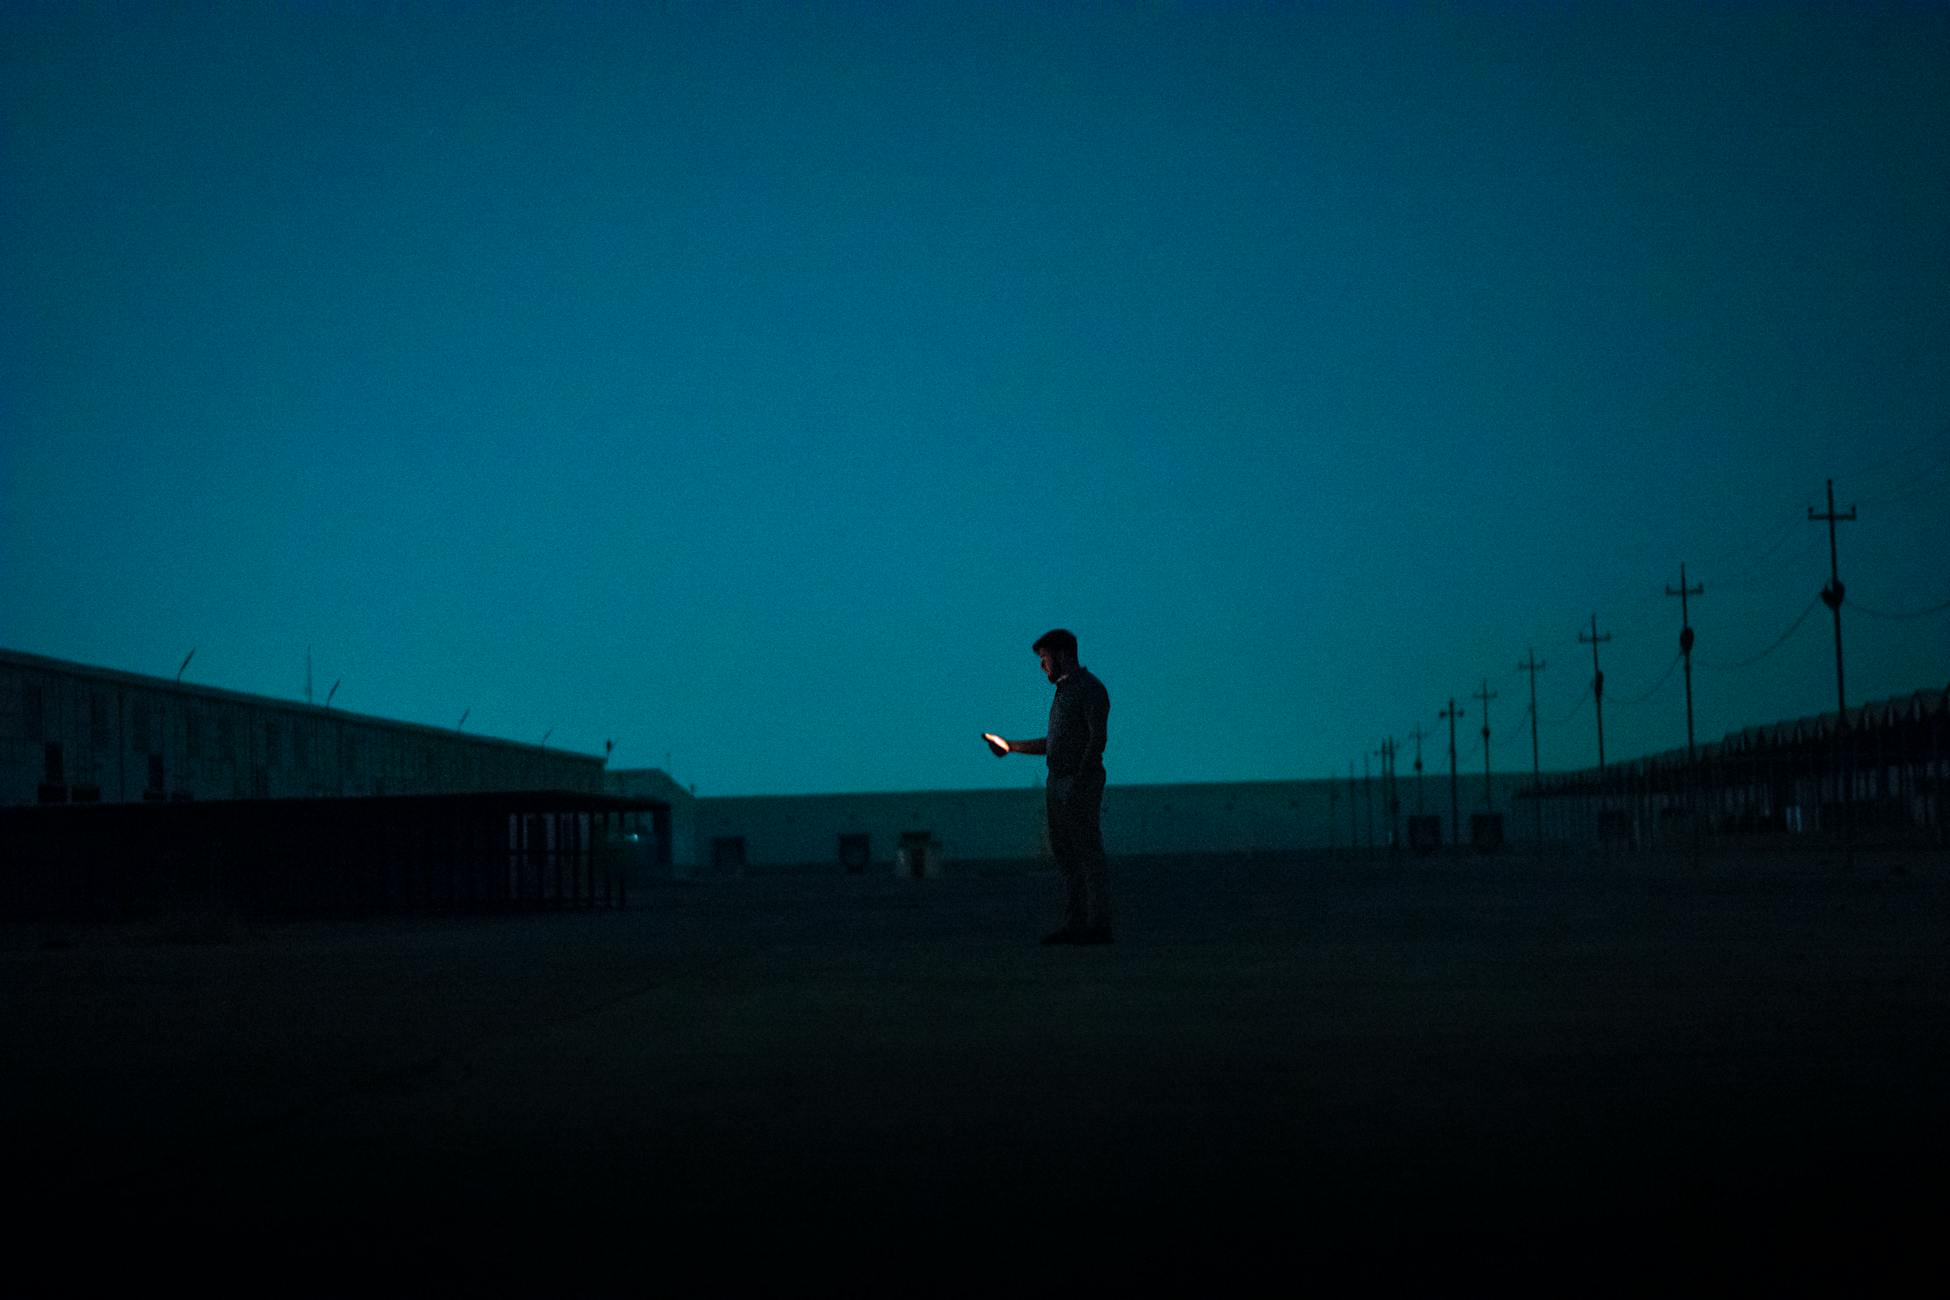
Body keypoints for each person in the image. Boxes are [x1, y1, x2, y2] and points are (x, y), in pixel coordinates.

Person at [984, 629, 1112, 945]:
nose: (1042, 665)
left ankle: (1097, 926)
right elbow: (1054, 744)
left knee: (1086, 854)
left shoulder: (1090, 690)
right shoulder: (1064, 692)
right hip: (1058, 783)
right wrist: (1010, 746)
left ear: (1064, 654)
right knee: (1067, 855)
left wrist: (1078, 783)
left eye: (1045, 658)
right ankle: (1077, 925)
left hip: (1076, 783)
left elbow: (1097, 739)